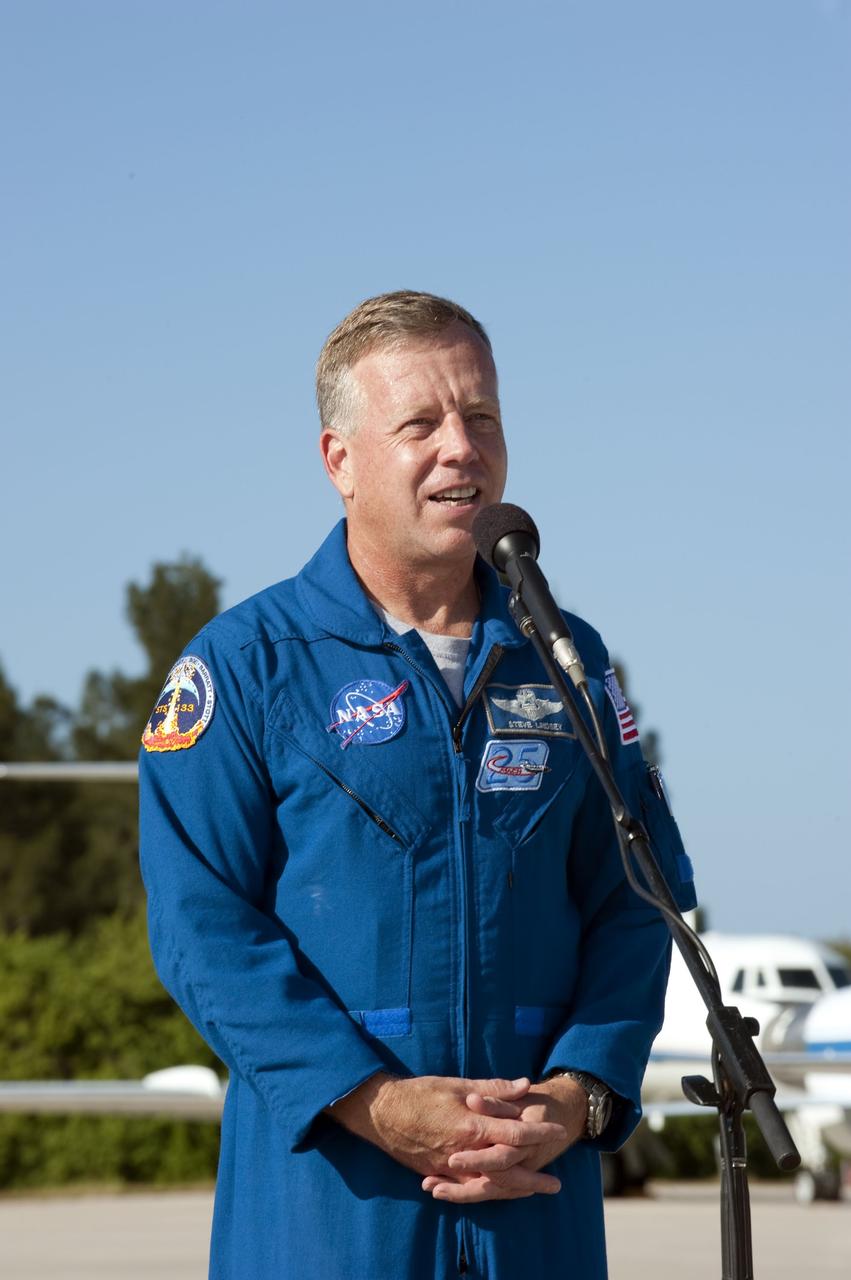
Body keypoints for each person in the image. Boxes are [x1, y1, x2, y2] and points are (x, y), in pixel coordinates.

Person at [139, 290, 696, 1279]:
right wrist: (374, 1102)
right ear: (338, 461)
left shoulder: (564, 656)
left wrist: (577, 1092)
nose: (461, 447)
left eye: (480, 417)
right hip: (330, 1211)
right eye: (420, 423)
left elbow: (635, 899)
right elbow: (202, 925)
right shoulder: (246, 665)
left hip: (532, 1201)